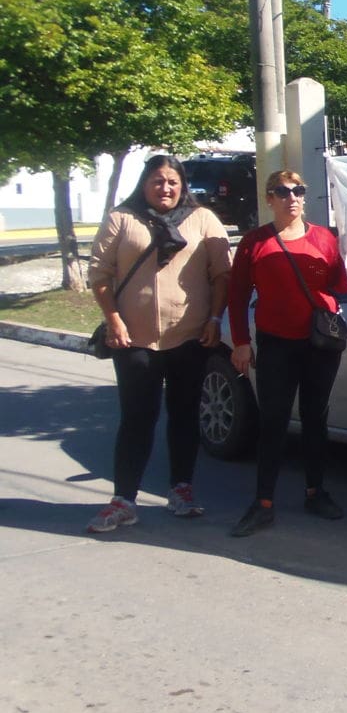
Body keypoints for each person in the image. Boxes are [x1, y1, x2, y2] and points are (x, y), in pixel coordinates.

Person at [86, 155, 231, 533]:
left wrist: (215, 318)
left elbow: (222, 275)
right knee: (137, 417)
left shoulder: (202, 219)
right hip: (133, 338)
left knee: (184, 415)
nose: (165, 188)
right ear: (144, 183)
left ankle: (181, 490)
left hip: (190, 337)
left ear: (182, 184)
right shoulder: (123, 218)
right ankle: (124, 500)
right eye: (157, 181)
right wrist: (113, 319)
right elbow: (100, 274)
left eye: (172, 181)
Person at [226, 169, 347, 537]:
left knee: (316, 418)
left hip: (319, 343)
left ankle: (316, 492)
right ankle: (263, 503)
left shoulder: (326, 239)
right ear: (269, 199)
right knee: (273, 422)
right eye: (282, 191)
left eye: (299, 190)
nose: (292, 197)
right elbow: (236, 296)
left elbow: (341, 284)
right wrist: (240, 342)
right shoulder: (255, 242)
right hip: (276, 341)